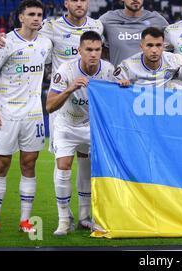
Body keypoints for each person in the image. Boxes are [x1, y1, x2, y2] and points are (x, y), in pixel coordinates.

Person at [0, 0, 104, 230]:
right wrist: (1, 38)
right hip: (62, 101)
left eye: (83, 0)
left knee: (86, 161)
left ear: (88, 2)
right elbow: (24, 32)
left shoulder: (97, 26)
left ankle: (85, 216)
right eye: (74, 0)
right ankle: (65, 218)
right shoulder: (51, 26)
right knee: (62, 163)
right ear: (66, 3)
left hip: (88, 105)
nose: (79, 4)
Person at [0, 0, 52, 234]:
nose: (36, 19)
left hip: (33, 114)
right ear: (21, 17)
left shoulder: (46, 42)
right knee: (1, 164)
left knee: (29, 164)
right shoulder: (6, 43)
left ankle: (25, 220)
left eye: (39, 15)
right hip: (7, 113)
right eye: (31, 14)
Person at [46, 31, 120, 236]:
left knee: (90, 170)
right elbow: (50, 106)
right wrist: (69, 89)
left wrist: (123, 86)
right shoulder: (66, 69)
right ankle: (63, 220)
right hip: (67, 125)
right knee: (63, 168)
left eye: (97, 50)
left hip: (92, 128)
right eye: (89, 50)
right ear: (80, 51)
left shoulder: (108, 70)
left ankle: (85, 218)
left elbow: (117, 100)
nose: (93, 54)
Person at [99, 0, 169, 67]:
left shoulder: (157, 20)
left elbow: (172, 46)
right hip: (120, 79)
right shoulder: (107, 19)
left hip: (149, 79)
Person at [113, 27, 182, 87]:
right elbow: (110, 86)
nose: (154, 50)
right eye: (149, 45)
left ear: (163, 46)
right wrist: (118, 83)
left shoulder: (174, 60)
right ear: (141, 47)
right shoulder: (127, 66)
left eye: (158, 45)